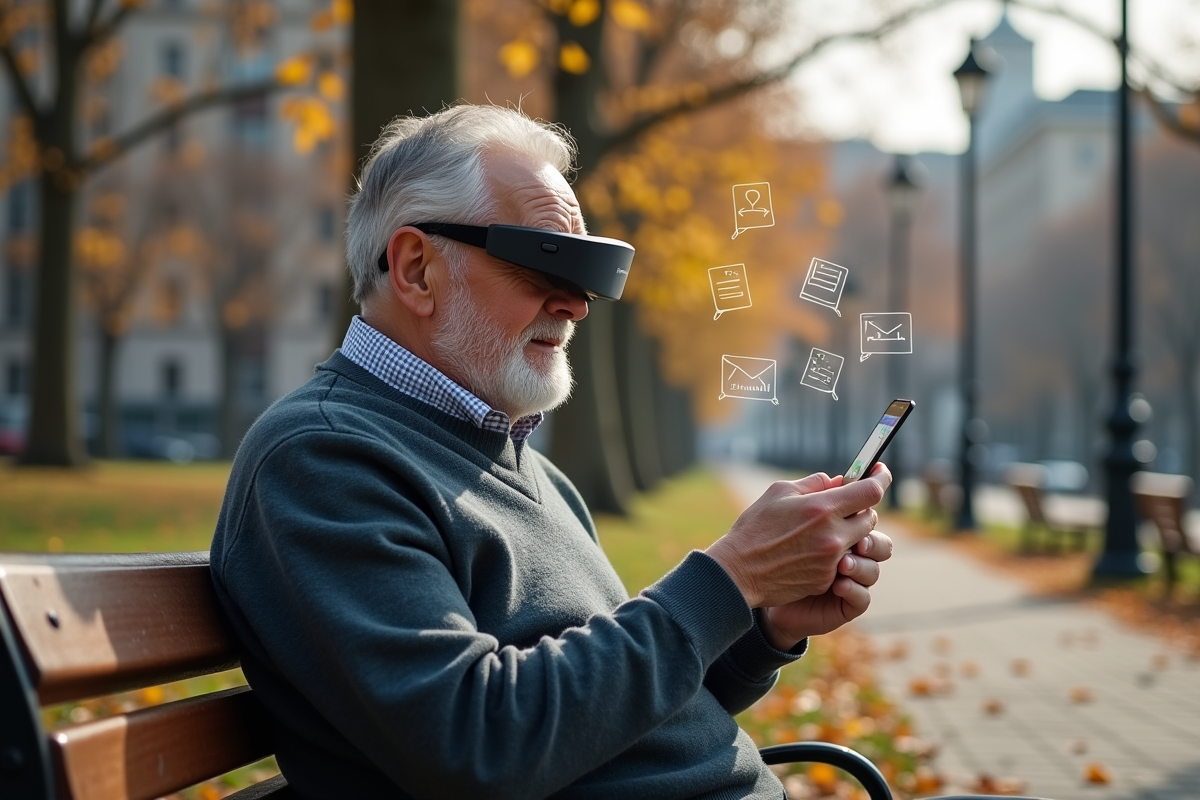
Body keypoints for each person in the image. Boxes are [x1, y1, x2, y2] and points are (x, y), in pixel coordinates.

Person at [209, 104, 893, 800]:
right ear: (416, 269)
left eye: (588, 271)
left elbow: (616, 711)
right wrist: (732, 576)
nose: (577, 305)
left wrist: (763, 625)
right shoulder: (322, 461)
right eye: (545, 264)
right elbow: (478, 745)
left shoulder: (528, 468)